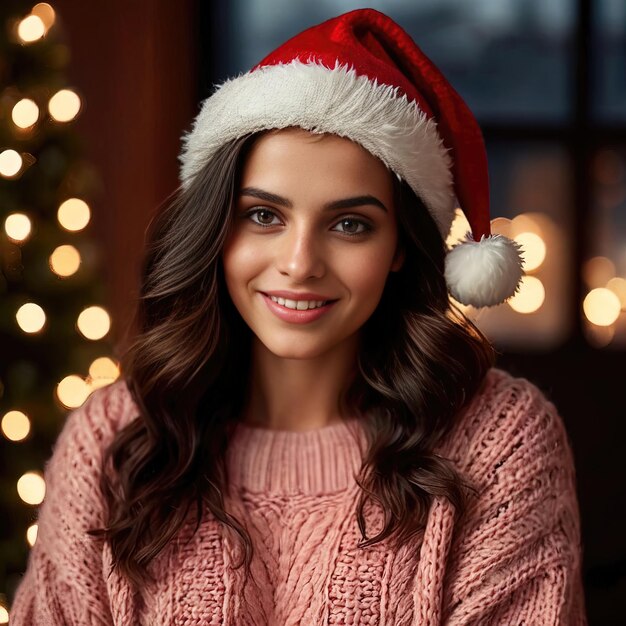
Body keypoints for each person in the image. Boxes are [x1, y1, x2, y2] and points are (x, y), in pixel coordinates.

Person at [10, 8, 586, 625]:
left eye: (350, 224)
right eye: (264, 215)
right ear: (217, 229)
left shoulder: (499, 441)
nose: (300, 263)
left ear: (399, 249)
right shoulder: (112, 442)